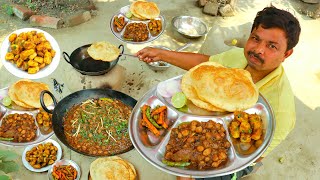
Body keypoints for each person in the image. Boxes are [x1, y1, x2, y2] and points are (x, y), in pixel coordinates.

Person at [136, 5, 301, 180]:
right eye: (255, 38)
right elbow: (205, 65)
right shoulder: (239, 56)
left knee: (185, 174)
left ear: (287, 54)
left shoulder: (281, 109)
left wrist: (195, 165)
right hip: (209, 125)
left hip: (237, 163)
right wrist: (162, 54)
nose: (258, 49)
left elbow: (254, 154)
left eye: (272, 46)